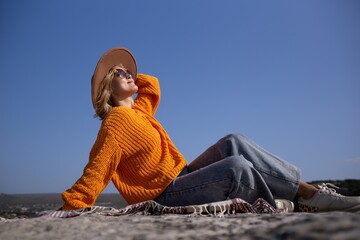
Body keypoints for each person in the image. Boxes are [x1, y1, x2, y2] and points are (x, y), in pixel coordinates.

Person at [62, 47, 360, 212]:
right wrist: (73, 204)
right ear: (106, 88)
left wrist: (132, 77)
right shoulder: (115, 123)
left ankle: (309, 193)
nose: (128, 74)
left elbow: (152, 88)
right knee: (236, 168)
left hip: (183, 175)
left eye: (128, 72)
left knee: (234, 141)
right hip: (165, 193)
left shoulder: (139, 111)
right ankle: (304, 200)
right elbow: (96, 171)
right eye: (119, 74)